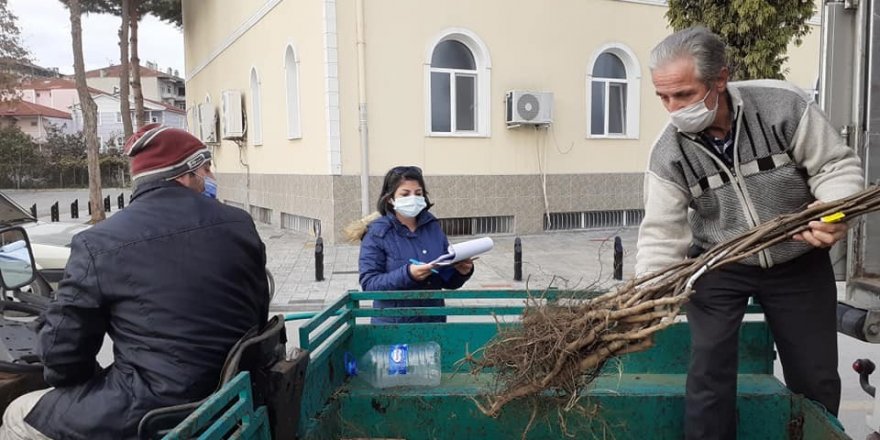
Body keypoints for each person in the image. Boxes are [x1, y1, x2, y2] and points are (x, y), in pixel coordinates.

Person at [636, 26, 864, 439]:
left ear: (720, 79)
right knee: (708, 376)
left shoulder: (782, 106)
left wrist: (832, 213)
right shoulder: (669, 152)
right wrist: (646, 301)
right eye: (663, 97)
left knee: (815, 376)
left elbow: (835, 166)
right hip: (720, 263)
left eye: (684, 94)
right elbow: (660, 236)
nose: (673, 108)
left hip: (798, 256)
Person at [0, 123, 270, 440]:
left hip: (155, 408)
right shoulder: (239, 223)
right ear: (184, 175)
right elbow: (258, 309)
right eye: (206, 168)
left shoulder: (99, 242)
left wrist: (79, 376)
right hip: (230, 389)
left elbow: (63, 357)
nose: (210, 178)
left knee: (17, 413)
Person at [350, 166, 474, 323]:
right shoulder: (377, 233)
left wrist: (460, 272)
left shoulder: (432, 226)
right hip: (394, 327)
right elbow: (369, 284)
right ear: (390, 198)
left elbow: (445, 279)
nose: (413, 198)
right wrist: (408, 275)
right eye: (405, 194)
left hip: (434, 323)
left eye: (418, 193)